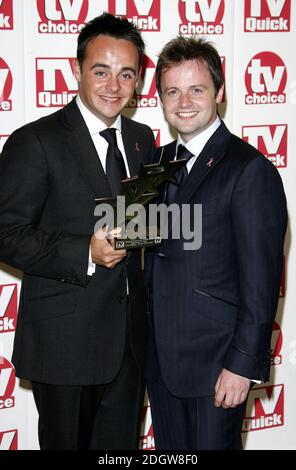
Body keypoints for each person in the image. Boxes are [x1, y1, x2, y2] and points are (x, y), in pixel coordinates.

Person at [0, 13, 155, 450]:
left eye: (126, 74)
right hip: (64, 345)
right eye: (100, 71)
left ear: (138, 80)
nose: (113, 86)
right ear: (76, 71)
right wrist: (84, 251)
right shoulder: (36, 141)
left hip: (129, 345)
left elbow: (139, 224)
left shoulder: (142, 139)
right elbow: (6, 232)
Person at [145, 36, 287, 450]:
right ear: (160, 98)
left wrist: (243, 365)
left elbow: (262, 282)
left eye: (197, 89)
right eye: (173, 91)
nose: (184, 101)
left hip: (217, 365)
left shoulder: (250, 170)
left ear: (219, 93)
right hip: (159, 360)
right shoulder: (153, 163)